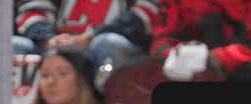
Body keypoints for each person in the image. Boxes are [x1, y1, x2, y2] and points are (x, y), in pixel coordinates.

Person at [150, 0, 251, 81]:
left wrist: (216, 57)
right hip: (191, 67)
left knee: (250, 72)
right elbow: (162, 38)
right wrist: (174, 55)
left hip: (242, 66)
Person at [12, 0, 155, 72]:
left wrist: (90, 38)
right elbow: (32, 8)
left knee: (106, 45)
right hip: (55, 47)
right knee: (12, 46)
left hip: (112, 56)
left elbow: (143, 16)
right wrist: (48, 40)